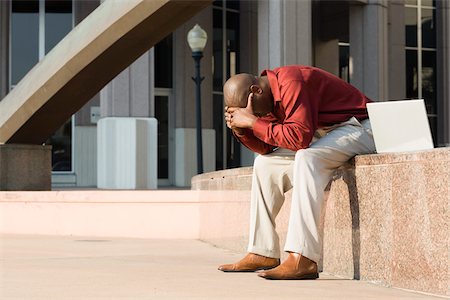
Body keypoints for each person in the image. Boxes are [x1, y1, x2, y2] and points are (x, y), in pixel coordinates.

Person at [218, 65, 376, 280]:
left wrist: (254, 121)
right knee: (265, 164)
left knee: (307, 158)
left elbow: (298, 139)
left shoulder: (292, 82)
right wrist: (241, 129)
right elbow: (267, 147)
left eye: (251, 110)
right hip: (325, 134)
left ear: (256, 91)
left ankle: (303, 258)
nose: (255, 115)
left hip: (362, 127)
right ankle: (262, 251)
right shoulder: (268, 100)